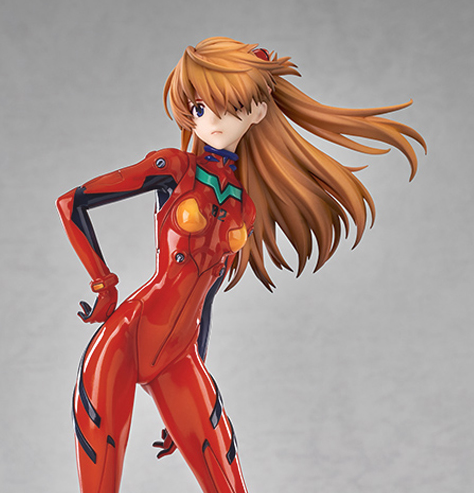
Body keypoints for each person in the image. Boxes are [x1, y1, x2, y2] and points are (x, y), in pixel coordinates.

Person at [56, 36, 426, 493]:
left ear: (257, 110)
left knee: (229, 483)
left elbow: (205, 298)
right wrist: (104, 284)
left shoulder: (244, 208)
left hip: (181, 358)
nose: (210, 120)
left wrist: (189, 387)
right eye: (199, 108)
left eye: (227, 106)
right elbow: (72, 203)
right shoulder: (173, 169)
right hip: (123, 341)